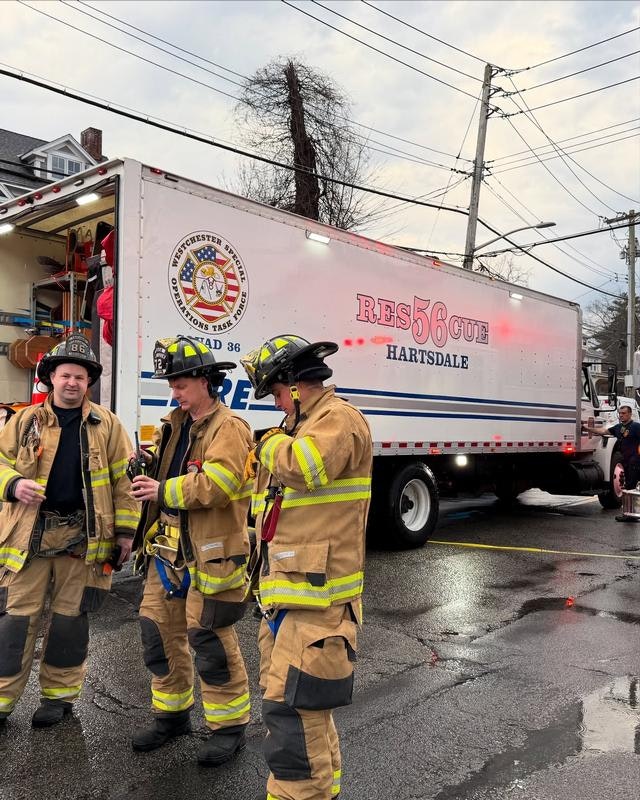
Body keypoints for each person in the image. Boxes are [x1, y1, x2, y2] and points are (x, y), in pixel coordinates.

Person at [240, 334, 373, 800]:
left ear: (296, 386)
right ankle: (319, 793)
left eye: (277, 394)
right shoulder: (301, 426)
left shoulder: (337, 420)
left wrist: (268, 444)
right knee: (299, 711)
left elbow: (306, 468)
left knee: (293, 714)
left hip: (318, 603)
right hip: (289, 596)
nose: (277, 406)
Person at [0, 334, 139, 728]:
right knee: (16, 620)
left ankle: (58, 699)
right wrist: (12, 485)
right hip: (29, 537)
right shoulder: (26, 420)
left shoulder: (108, 426)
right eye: (66, 376)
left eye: (80, 377)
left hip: (83, 538)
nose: (73, 383)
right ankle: (2, 699)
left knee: (69, 622)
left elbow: (123, 485)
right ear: (52, 378)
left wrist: (125, 535)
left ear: (88, 381)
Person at [130, 336, 253, 766]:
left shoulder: (229, 428)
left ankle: (229, 728)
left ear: (204, 381)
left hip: (209, 556)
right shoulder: (174, 425)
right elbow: (171, 476)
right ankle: (172, 714)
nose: (174, 392)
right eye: (172, 385)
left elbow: (219, 485)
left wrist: (161, 487)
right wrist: (148, 465)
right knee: (158, 636)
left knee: (210, 641)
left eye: (180, 384)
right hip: (166, 552)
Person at [586, 403, 640, 522]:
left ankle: (629, 514)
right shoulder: (619, 427)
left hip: (634, 462)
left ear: (630, 414)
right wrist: (588, 429)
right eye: (620, 414)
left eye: (624, 413)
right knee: (628, 488)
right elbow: (604, 431)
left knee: (630, 488)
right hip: (625, 462)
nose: (621, 416)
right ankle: (629, 513)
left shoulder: (636, 427)